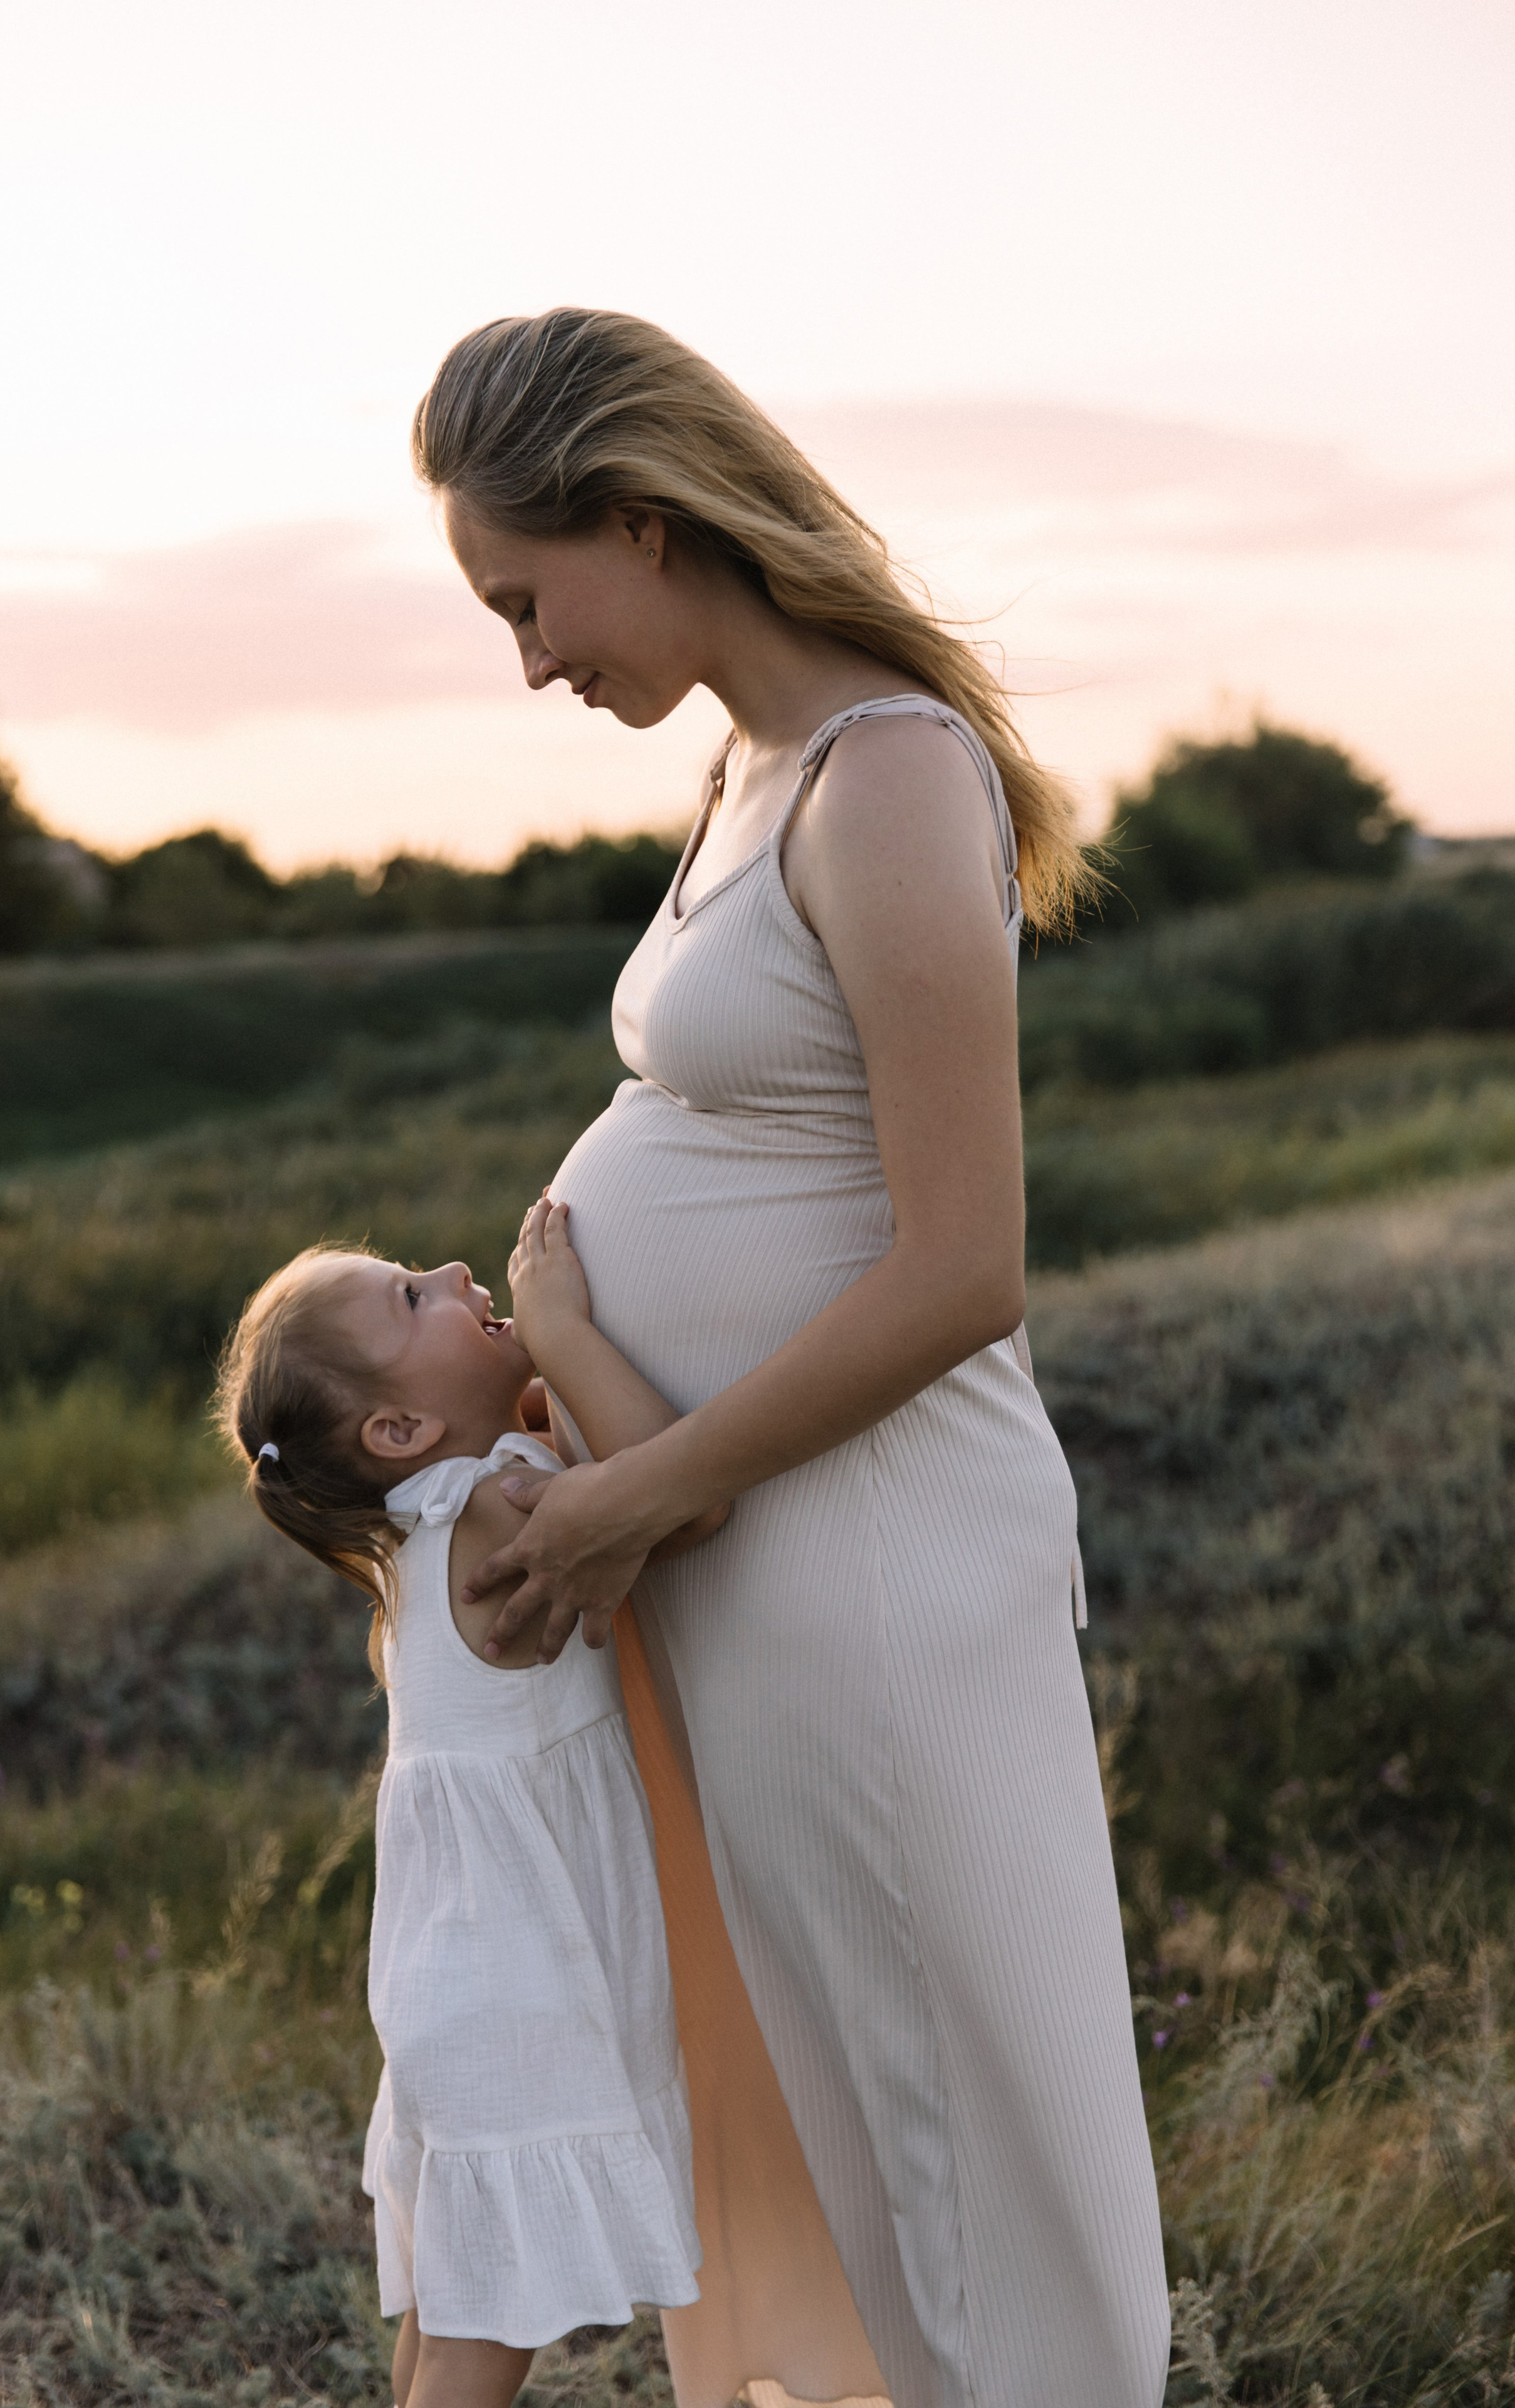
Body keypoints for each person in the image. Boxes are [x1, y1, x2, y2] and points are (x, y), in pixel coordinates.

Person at [409, 308, 1172, 2408]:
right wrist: (575, 1361)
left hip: (876, 1573)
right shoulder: (745, 773)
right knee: (866, 2133)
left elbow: (963, 1269)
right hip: (764, 1575)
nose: (530, 660)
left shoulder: (885, 773)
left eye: (527, 598)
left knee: (968, 2141)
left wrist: (634, 1495)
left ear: (643, 521)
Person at [214, 1201, 721, 2408]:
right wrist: (560, 1326)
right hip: (518, 1989)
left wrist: (534, 1379)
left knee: (454, 2314)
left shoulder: (430, 1523)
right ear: (401, 1429)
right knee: (480, 2334)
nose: (451, 1269)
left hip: (469, 1978)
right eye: (411, 1295)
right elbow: (682, 1491)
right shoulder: (499, 1514)